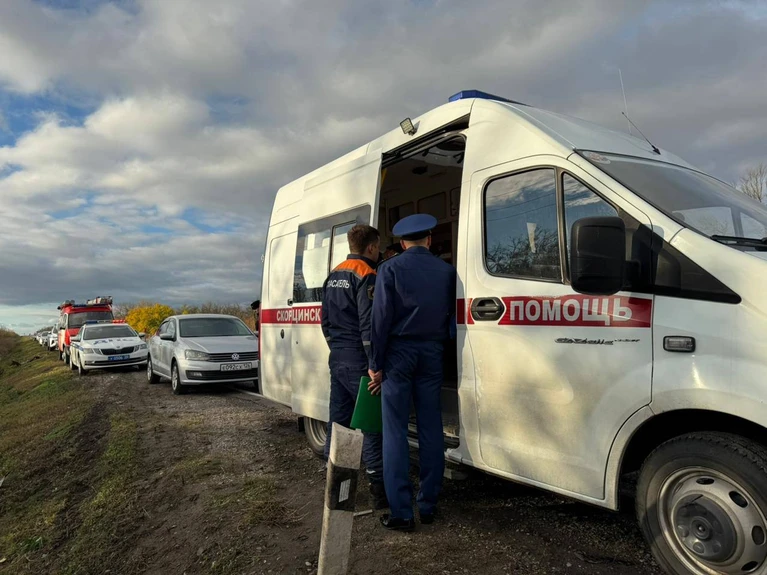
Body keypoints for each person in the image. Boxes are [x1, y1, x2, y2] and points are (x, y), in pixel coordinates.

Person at [371, 213, 456, 531]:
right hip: (432, 353)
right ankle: (429, 505)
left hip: (399, 355)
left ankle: (402, 513)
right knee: (431, 427)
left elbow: (380, 319)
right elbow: (452, 319)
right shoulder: (447, 271)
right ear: (429, 240)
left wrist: (375, 363)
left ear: (403, 243)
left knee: (394, 431)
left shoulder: (389, 269)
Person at [320, 224, 388, 509]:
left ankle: (334, 487)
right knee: (371, 427)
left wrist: (336, 349)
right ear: (371, 247)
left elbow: (325, 322)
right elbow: (368, 325)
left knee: (338, 424)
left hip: (338, 358)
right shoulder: (367, 274)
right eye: (378, 246)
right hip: (360, 361)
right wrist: (374, 365)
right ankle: (378, 493)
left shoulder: (334, 274)